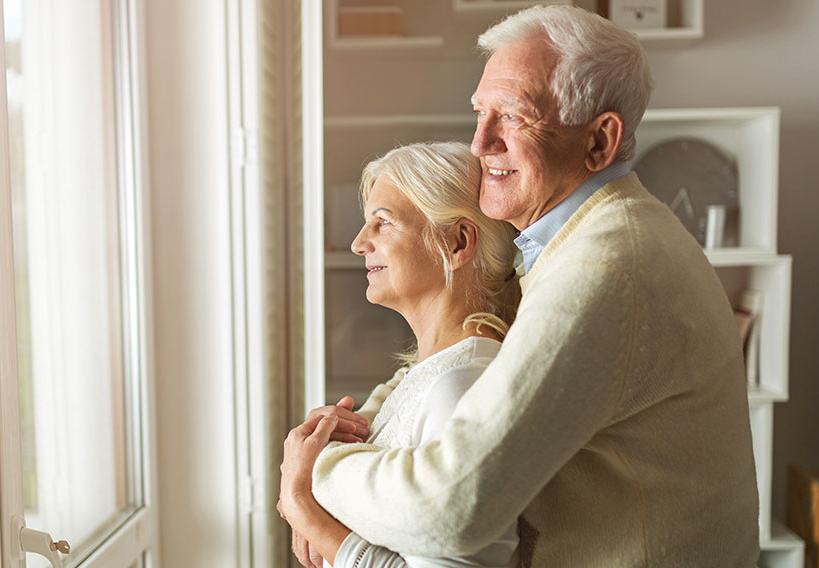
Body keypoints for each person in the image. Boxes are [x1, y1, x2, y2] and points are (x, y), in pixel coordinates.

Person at [287, 5, 760, 567]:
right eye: (480, 112)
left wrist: (314, 479)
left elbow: (455, 506)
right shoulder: (580, 240)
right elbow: (455, 345)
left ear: (598, 141)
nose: (480, 143)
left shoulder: (607, 265)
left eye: (512, 116)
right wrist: (361, 421)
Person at [278, 141, 524, 567]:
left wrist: (303, 507)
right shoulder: (429, 376)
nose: (358, 243)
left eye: (383, 223)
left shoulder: (463, 388)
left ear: (457, 242)